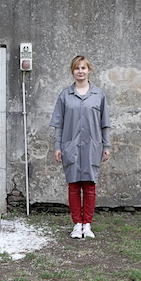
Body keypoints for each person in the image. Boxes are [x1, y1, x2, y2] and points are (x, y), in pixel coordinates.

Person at [50, 55, 111, 239]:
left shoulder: (98, 95)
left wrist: (106, 145)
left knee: (90, 186)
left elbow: (104, 123)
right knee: (74, 186)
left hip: (92, 146)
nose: (81, 71)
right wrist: (58, 146)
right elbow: (59, 124)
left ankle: (88, 224)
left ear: (89, 70)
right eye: (77, 68)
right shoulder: (65, 96)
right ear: (72, 71)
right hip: (71, 146)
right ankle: (77, 224)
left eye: (83, 68)